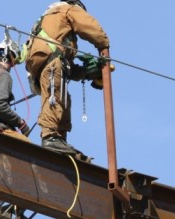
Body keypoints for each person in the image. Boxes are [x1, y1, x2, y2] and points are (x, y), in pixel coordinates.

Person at [23, 0, 110, 155]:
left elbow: (67, 67)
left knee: (61, 96)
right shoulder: (69, 9)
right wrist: (103, 45)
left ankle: (59, 140)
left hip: (41, 62)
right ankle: (51, 137)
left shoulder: (49, 22)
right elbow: (91, 28)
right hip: (50, 60)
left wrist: (86, 72)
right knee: (55, 95)